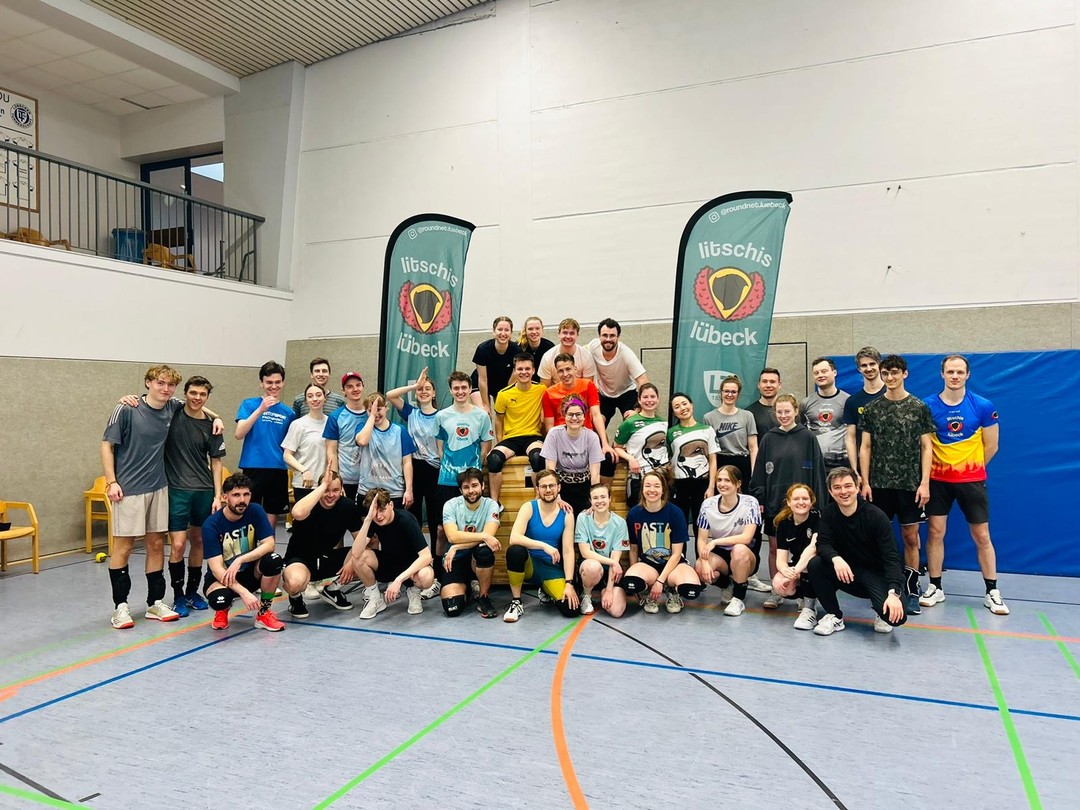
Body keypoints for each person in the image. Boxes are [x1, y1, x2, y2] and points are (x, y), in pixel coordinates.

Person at [922, 355, 1008, 615]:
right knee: (935, 533)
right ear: (942, 374)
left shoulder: (982, 406)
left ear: (967, 375)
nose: (955, 376)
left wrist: (969, 468)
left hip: (972, 481)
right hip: (938, 482)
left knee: (982, 536)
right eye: (950, 371)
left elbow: (992, 446)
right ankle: (935, 587)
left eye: (960, 372)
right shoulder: (928, 406)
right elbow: (923, 446)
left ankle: (992, 591)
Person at [102, 365, 185, 628]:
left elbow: (197, 405)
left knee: (157, 545)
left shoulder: (173, 406)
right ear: (148, 383)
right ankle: (120, 607)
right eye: (160, 383)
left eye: (170, 385)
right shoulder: (127, 408)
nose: (166, 389)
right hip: (128, 490)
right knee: (124, 547)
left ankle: (155, 602)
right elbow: (107, 446)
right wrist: (111, 481)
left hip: (159, 487)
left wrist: (216, 419)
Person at [858, 354, 935, 616]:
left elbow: (926, 447)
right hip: (878, 486)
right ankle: (881, 587)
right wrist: (865, 481)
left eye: (894, 373)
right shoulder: (872, 409)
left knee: (910, 538)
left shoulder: (919, 407)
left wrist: (924, 483)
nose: (890, 377)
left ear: (904, 374)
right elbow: (865, 447)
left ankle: (912, 589)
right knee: (876, 538)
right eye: (886, 373)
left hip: (909, 486)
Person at [805, 468, 907, 636]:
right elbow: (823, 543)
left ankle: (880, 610)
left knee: (895, 618)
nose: (843, 491)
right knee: (816, 564)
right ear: (830, 491)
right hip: (847, 574)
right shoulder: (829, 513)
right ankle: (834, 616)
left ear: (857, 487)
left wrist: (894, 592)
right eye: (837, 487)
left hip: (875, 575)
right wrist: (836, 558)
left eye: (848, 486)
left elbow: (891, 557)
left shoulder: (876, 517)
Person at [750, 394, 826, 610]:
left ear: (796, 412)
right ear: (775, 413)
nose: (783, 415)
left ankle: (804, 594)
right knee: (775, 548)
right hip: (775, 503)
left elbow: (818, 472)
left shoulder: (808, 437)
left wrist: (819, 504)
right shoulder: (769, 438)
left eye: (787, 411)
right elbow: (759, 471)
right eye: (779, 412)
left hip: (803, 506)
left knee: (806, 550)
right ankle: (777, 590)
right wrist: (760, 497)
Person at [164, 376, 226, 618]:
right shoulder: (174, 413)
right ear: (185, 393)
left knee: (199, 541)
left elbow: (216, 462)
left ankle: (192, 592)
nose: (197, 398)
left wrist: (218, 495)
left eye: (202, 394)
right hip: (177, 490)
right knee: (178, 544)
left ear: (207, 397)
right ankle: (178, 595)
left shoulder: (212, 427)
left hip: (204, 491)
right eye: (193, 393)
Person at [201, 474, 286, 632]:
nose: (242, 500)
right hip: (223, 577)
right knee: (220, 600)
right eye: (236, 495)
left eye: (246, 494)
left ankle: (264, 613)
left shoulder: (255, 510)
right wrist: (244, 593)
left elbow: (269, 544)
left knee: (274, 560)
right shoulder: (211, 525)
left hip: (250, 572)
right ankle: (222, 611)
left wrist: (240, 560)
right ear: (225, 497)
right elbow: (217, 569)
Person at [339, 488, 436, 619]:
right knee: (359, 558)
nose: (379, 516)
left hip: (411, 567)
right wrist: (368, 519)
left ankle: (414, 591)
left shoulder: (406, 520)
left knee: (426, 576)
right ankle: (375, 598)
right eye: (375, 512)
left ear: (391, 505)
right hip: (389, 563)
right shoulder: (374, 520)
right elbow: (356, 553)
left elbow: (426, 556)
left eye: (382, 510)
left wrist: (398, 580)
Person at [386, 368, 443, 589]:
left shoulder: (442, 416)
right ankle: (413, 569)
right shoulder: (411, 413)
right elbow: (390, 395)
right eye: (420, 389)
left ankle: (436, 571)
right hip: (415, 470)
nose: (423, 391)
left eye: (427, 388)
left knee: (437, 525)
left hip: (436, 471)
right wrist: (414, 385)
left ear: (434, 393)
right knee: (414, 521)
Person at [280, 470, 362, 617]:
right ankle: (295, 599)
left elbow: (361, 540)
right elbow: (297, 513)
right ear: (319, 489)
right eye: (326, 490)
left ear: (341, 490)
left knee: (366, 556)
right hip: (300, 559)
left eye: (335, 490)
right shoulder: (309, 503)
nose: (330, 495)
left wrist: (351, 563)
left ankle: (332, 590)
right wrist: (323, 485)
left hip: (326, 558)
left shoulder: (347, 506)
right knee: (295, 583)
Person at [621, 470, 703, 614]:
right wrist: (637, 578)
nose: (652, 490)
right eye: (648, 486)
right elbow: (633, 548)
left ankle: (672, 591)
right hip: (648, 564)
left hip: (673, 565)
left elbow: (677, 553)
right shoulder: (634, 513)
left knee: (691, 589)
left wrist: (660, 581)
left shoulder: (675, 513)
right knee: (631, 582)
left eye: (657, 486)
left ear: (663, 490)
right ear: (642, 489)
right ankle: (648, 593)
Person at [503, 469, 579, 622]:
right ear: (537, 489)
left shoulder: (567, 514)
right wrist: (544, 546)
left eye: (552, 486)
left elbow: (568, 551)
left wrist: (569, 584)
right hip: (530, 564)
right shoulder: (529, 507)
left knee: (571, 609)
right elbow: (514, 537)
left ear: (559, 487)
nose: (548, 490)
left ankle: (545, 590)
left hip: (550, 568)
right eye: (543, 486)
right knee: (515, 551)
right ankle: (516, 602)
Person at [234, 361, 296, 530]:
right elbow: (239, 434)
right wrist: (260, 410)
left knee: (272, 517)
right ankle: (248, 547)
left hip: (277, 468)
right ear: (261, 383)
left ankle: (268, 546)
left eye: (277, 382)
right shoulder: (249, 405)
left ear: (283, 383)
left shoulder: (289, 413)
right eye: (269, 382)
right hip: (253, 466)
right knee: (247, 514)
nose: (273, 386)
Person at [694, 465, 761, 617]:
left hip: (745, 556)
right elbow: (702, 539)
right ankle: (728, 584)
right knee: (699, 567)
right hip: (722, 557)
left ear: (738, 484)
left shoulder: (750, 503)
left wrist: (715, 542)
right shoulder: (708, 504)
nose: (722, 484)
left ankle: (738, 598)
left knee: (739, 550)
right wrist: (704, 563)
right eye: (719, 480)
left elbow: (746, 538)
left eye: (727, 480)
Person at [434, 371, 494, 529]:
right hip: (447, 479)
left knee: (472, 525)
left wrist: (474, 468)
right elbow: (440, 449)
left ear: (470, 389)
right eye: (456, 388)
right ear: (450, 390)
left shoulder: (482, 416)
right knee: (442, 528)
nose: (460, 391)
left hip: (471, 480)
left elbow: (485, 448)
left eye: (463, 387)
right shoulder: (441, 416)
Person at [440, 467, 501, 618]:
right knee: (452, 608)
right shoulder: (450, 505)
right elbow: (452, 536)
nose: (471, 491)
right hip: (456, 559)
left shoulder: (491, 505)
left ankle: (484, 597)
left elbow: (489, 536)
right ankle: (467, 587)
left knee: (485, 550)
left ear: (482, 486)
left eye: (474, 485)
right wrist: (483, 536)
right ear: (461, 490)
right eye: (466, 487)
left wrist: (456, 547)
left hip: (476, 556)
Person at [489, 353, 547, 504]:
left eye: (527, 369)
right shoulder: (503, 394)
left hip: (533, 437)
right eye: (520, 369)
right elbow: (498, 420)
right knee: (494, 459)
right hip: (511, 439)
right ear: (514, 371)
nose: (524, 372)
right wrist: (499, 442)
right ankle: (494, 503)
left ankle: (539, 501)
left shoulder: (541, 390)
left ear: (533, 370)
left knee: (538, 458)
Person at [586, 317, 648, 443]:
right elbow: (579, 352)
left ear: (618, 337)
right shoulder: (593, 346)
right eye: (605, 335)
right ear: (599, 336)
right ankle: (606, 449)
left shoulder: (626, 354)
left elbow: (643, 380)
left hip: (626, 392)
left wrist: (638, 409)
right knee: (595, 423)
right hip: (604, 394)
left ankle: (621, 448)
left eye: (612, 336)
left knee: (632, 422)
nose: (608, 339)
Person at [541, 397, 603, 515]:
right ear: (564, 415)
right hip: (560, 486)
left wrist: (594, 500)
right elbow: (550, 470)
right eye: (570, 414)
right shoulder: (554, 434)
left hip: (584, 487)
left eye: (578, 414)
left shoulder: (592, 437)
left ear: (584, 416)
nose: (574, 418)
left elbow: (595, 475)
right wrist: (557, 497)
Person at [575, 483, 630, 617]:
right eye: (595, 498)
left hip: (610, 571)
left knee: (616, 611)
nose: (599, 501)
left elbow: (615, 558)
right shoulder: (583, 518)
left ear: (610, 498)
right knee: (593, 567)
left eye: (603, 497)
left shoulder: (620, 523)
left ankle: (604, 590)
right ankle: (586, 595)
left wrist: (610, 590)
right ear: (590, 501)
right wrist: (613, 562)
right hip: (590, 566)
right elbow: (585, 552)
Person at [772, 483, 821, 630]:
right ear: (789, 502)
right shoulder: (783, 523)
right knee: (779, 584)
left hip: (819, 565)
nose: (801, 502)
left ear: (811, 501)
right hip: (798, 565)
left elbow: (813, 549)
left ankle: (810, 606)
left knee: (810, 563)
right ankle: (803, 596)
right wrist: (785, 570)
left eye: (805, 499)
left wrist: (795, 572)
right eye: (796, 499)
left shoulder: (818, 517)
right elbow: (781, 558)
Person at [354, 391, 415, 508]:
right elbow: (362, 441)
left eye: (378, 409)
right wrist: (372, 416)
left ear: (386, 408)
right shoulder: (362, 428)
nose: (375, 413)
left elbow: (407, 463)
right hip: (367, 491)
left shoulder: (400, 430)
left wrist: (409, 490)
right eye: (370, 410)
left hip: (393, 492)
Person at [668, 392, 718, 530]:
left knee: (701, 524)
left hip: (702, 484)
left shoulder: (707, 430)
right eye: (677, 407)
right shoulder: (670, 433)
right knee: (679, 524)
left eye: (684, 404)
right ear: (674, 412)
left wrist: (711, 487)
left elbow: (713, 460)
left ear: (691, 405)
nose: (682, 408)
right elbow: (668, 459)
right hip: (679, 484)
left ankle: (700, 546)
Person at [613, 383, 668, 506]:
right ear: (639, 400)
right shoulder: (629, 423)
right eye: (645, 397)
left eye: (652, 397)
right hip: (639, 477)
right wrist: (630, 459)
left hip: (661, 477)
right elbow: (616, 447)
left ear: (658, 399)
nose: (649, 400)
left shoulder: (663, 423)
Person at [704, 374, 758, 487]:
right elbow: (709, 452)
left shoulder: (747, 416)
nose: (729, 394)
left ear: (738, 394)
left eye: (733, 392)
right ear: (721, 392)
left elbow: (753, 448)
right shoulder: (709, 418)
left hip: (742, 464)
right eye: (726, 391)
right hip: (720, 463)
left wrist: (754, 473)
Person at [323, 371, 367, 502]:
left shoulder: (373, 414)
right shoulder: (335, 417)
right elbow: (331, 451)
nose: (355, 389)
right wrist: (337, 481)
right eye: (349, 386)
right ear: (343, 391)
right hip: (346, 479)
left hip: (369, 479)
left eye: (358, 385)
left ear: (363, 387)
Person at [281, 382, 328, 504]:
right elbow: (287, 455)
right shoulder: (298, 424)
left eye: (318, 395)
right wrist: (304, 470)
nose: (315, 399)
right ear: (306, 401)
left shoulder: (331, 423)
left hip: (326, 485)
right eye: (310, 396)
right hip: (305, 484)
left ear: (325, 398)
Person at [801, 357, 851, 471]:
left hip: (841, 463)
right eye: (816, 373)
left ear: (834, 372)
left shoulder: (848, 401)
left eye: (824, 371)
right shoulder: (805, 403)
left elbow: (854, 436)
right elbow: (802, 434)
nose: (820, 375)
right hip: (815, 463)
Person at [843, 347, 886, 475]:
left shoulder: (892, 395)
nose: (868, 368)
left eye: (872, 364)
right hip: (865, 467)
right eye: (864, 365)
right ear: (859, 369)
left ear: (880, 365)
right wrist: (854, 470)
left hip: (892, 465)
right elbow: (850, 438)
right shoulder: (853, 401)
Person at [471, 316, 518, 413]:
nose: (503, 333)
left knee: (504, 413)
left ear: (511, 333)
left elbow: (511, 382)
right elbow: (483, 379)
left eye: (506, 330)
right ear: (494, 331)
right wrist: (485, 405)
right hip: (481, 384)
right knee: (484, 413)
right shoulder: (483, 349)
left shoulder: (516, 350)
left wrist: (504, 400)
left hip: (503, 385)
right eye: (500, 329)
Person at [538, 318, 597, 385]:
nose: (568, 336)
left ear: (577, 335)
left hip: (580, 391)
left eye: (572, 333)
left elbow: (587, 386)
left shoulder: (586, 356)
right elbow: (545, 387)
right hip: (556, 391)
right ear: (558, 334)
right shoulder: (548, 357)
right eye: (565, 333)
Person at [747, 367, 781, 438]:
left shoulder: (789, 412)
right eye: (764, 381)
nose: (768, 385)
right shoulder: (749, 413)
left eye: (772, 382)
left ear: (779, 385)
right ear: (758, 385)